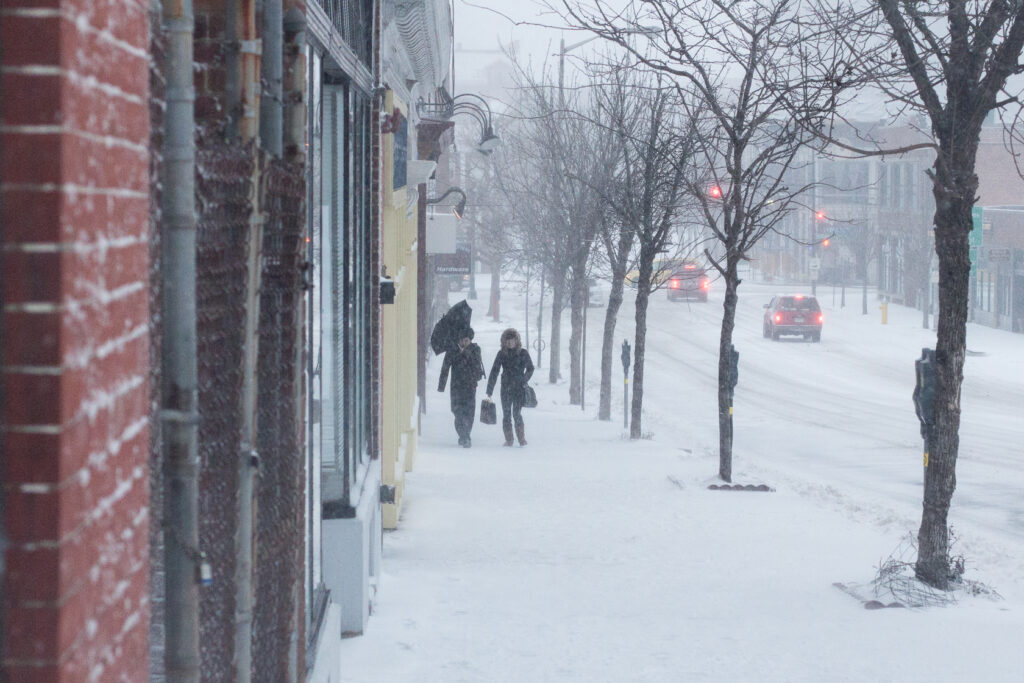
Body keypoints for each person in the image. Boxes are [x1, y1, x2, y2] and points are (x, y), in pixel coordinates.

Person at [486, 328, 534, 447]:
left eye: (512, 340)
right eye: (507, 340)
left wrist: (524, 379)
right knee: (506, 414)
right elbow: (494, 371)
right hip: (506, 387)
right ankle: (509, 439)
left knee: (517, 413)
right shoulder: (502, 354)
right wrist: (489, 389)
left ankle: (521, 438)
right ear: (504, 341)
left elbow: (530, 368)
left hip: (519, 388)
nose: (510, 342)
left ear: (516, 340)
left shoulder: (523, 353)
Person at [438, 328, 485, 447]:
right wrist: (441, 386)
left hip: (470, 386)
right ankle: (463, 435)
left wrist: (467, 354)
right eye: (462, 340)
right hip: (456, 386)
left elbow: (478, 368)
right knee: (457, 411)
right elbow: (445, 368)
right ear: (459, 340)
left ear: (470, 340)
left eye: (467, 340)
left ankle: (466, 436)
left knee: (469, 412)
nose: (464, 342)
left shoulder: (475, 350)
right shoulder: (452, 350)